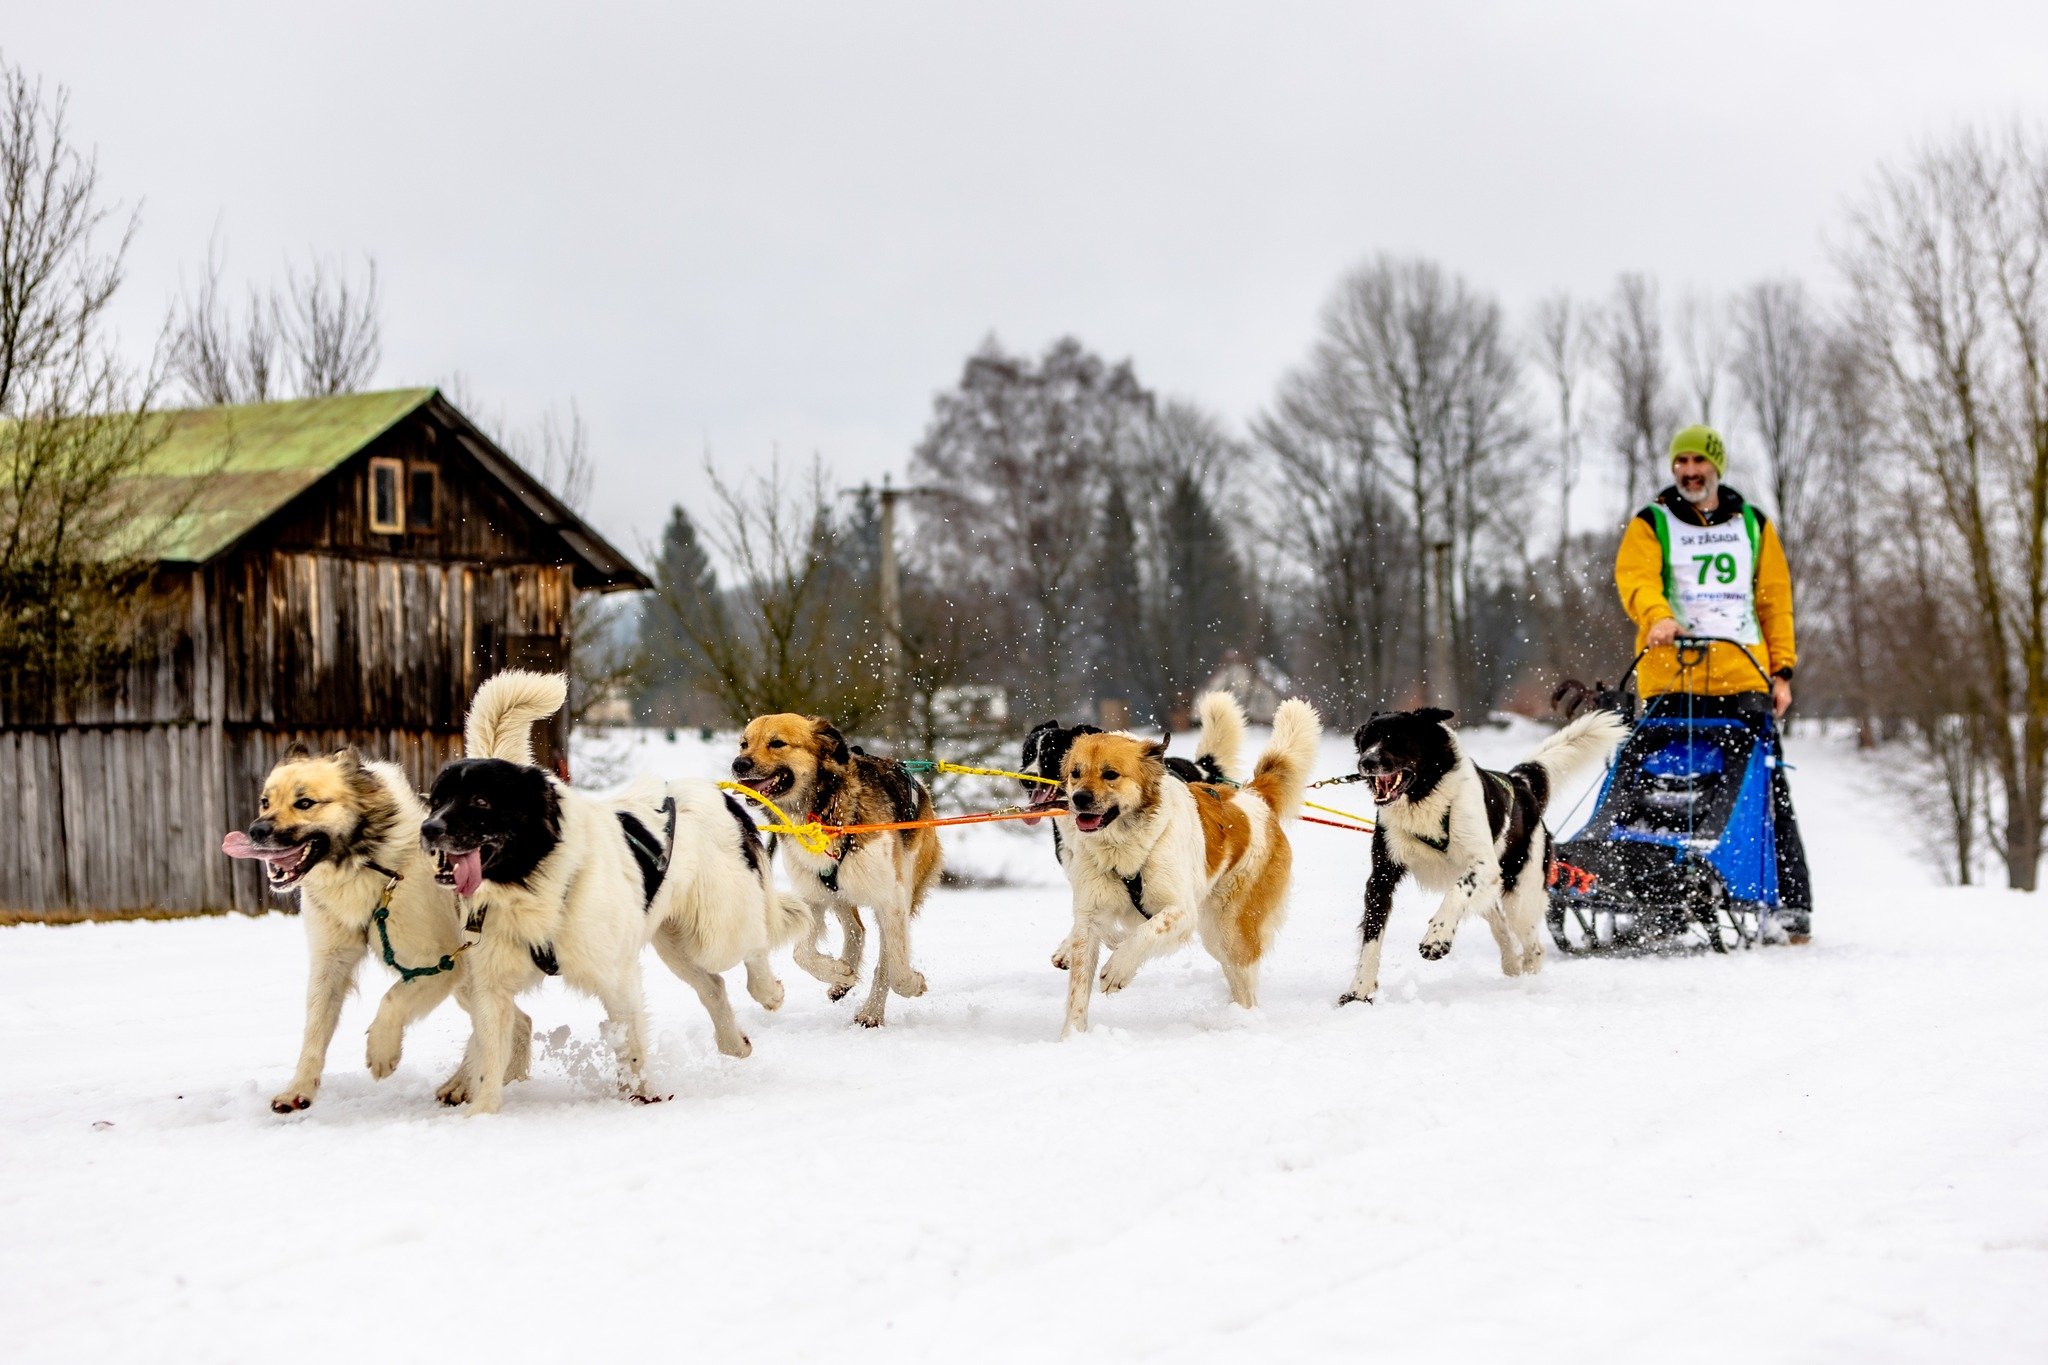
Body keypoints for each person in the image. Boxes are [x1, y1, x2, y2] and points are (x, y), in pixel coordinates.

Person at [1614, 424, 1812, 942]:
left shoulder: (1754, 524)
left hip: (1742, 673)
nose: (1690, 471)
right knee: (1659, 791)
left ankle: (1790, 903)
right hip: (1671, 674)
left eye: (1699, 461)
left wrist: (1782, 672)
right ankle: (1652, 895)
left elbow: (1774, 601)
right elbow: (1636, 579)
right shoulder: (1652, 522)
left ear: (1716, 467)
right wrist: (1657, 616)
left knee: (1766, 789)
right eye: (1681, 462)